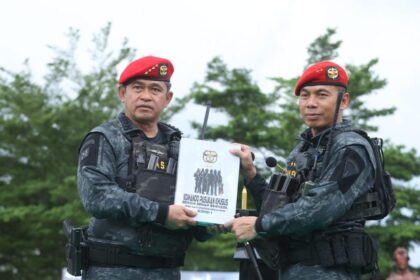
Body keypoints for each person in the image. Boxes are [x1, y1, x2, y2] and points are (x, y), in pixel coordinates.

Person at [226, 61, 380, 279]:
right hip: (290, 269)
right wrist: (250, 174)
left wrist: (259, 225)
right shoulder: (303, 149)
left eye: (321, 95)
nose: (311, 103)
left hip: (329, 272)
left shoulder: (351, 148)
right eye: (305, 96)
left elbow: (320, 207)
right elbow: (276, 206)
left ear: (343, 101)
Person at [77, 56, 212, 279]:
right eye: (138, 88)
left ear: (167, 98)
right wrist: (162, 213)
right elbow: (97, 197)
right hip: (113, 270)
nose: (146, 96)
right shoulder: (104, 138)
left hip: (167, 271)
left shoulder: (183, 148)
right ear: (122, 93)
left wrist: (209, 222)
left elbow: (196, 215)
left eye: (155, 89)